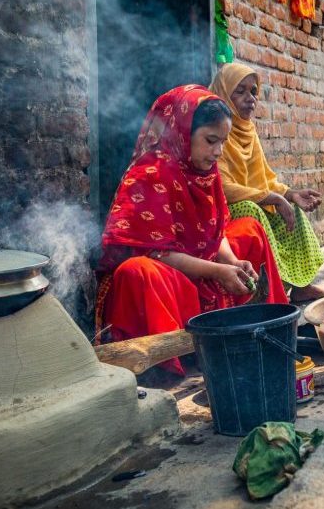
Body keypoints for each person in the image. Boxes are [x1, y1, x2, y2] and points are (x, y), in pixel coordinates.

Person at [96, 85, 289, 374]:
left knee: (249, 229)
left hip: (203, 264)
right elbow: (157, 254)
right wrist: (217, 271)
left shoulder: (206, 172)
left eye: (222, 142)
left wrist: (232, 263)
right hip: (171, 277)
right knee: (138, 272)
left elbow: (217, 230)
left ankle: (264, 325)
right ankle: (171, 356)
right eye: (210, 140)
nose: (218, 152)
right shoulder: (149, 174)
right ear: (183, 133)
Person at [209, 63, 324, 302]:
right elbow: (222, 186)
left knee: (290, 205)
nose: (250, 98)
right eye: (240, 91)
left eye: (253, 91)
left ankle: (301, 285)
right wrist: (270, 197)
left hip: (252, 196)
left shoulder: (248, 130)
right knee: (252, 210)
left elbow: (264, 176)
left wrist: (290, 193)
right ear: (224, 92)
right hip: (224, 207)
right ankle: (271, 289)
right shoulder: (213, 130)